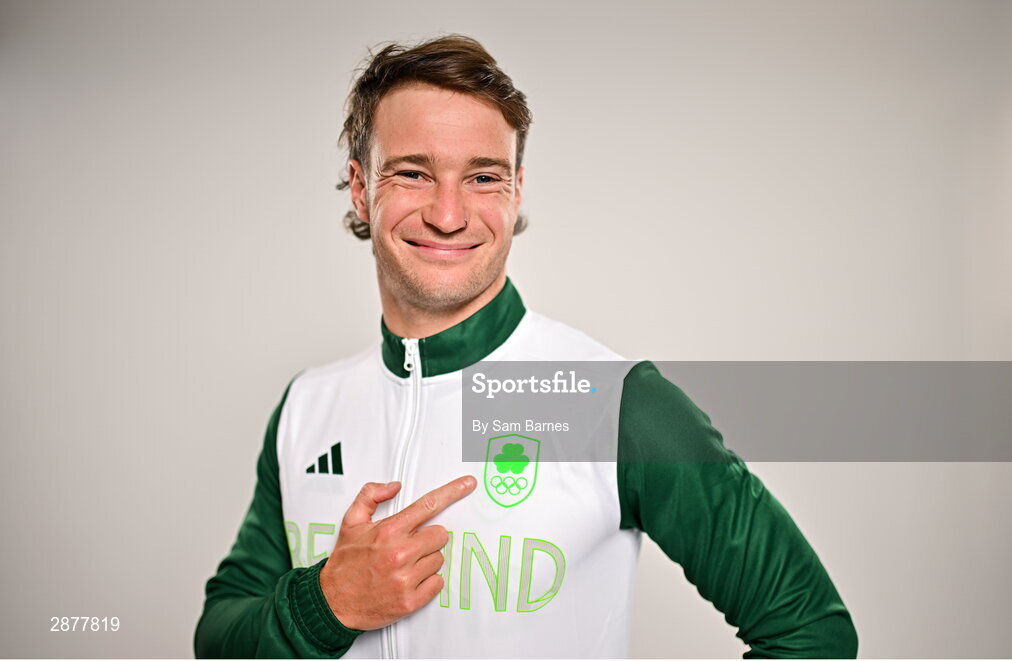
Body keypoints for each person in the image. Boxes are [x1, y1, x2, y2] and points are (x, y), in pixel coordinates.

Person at [193, 34, 857, 659]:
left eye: (483, 177)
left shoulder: (611, 403)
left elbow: (810, 630)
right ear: (362, 190)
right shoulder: (310, 406)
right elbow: (219, 632)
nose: (449, 214)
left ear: (516, 192)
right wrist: (323, 605)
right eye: (414, 174)